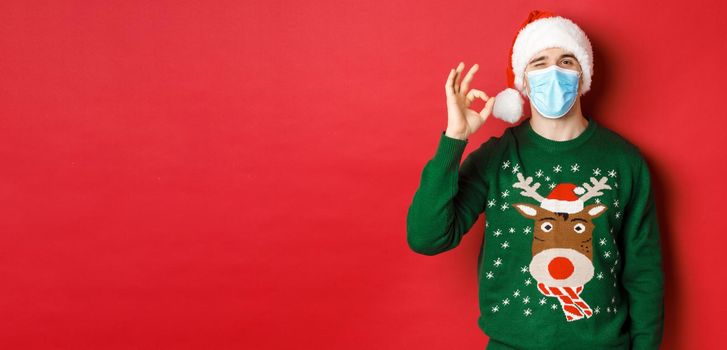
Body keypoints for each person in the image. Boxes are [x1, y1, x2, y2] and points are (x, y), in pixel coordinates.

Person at [406, 10, 665, 350]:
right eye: (539, 62)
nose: (553, 72)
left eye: (566, 61)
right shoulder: (496, 158)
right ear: (523, 81)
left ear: (583, 74)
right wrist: (455, 138)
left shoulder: (623, 162)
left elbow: (643, 273)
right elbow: (427, 238)